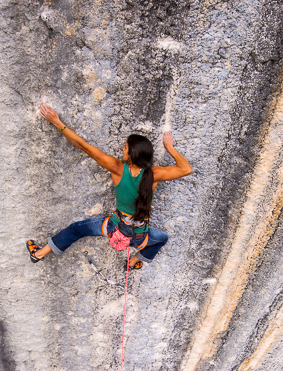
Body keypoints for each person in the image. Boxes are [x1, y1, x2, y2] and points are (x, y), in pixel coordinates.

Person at [27, 102, 193, 269]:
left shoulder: (118, 168)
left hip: (116, 229)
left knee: (76, 229)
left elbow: (84, 146)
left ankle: (38, 254)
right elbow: (186, 169)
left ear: (132, 153)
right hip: (140, 236)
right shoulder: (154, 174)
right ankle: (133, 262)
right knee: (162, 238)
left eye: (125, 147)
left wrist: (57, 122)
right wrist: (170, 148)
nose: (122, 148)